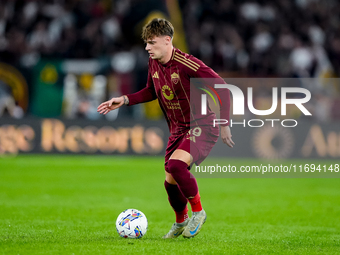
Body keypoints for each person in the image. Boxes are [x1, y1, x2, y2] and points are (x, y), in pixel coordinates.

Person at [97, 18, 234, 238]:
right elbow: (151, 91)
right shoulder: (154, 62)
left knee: (176, 165)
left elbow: (223, 88)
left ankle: (198, 212)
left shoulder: (188, 64)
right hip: (178, 129)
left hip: (202, 126)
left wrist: (225, 123)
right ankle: (181, 221)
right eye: (146, 43)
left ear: (167, 40)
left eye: (151, 42)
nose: (147, 48)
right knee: (170, 182)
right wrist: (124, 99)